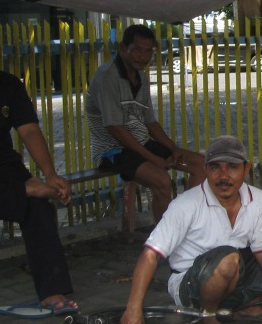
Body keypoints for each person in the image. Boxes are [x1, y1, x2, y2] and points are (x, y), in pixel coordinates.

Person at [120, 135, 262, 324]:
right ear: (205, 170)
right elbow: (150, 255)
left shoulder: (256, 199)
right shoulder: (185, 205)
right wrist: (133, 309)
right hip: (190, 284)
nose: (224, 176)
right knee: (228, 260)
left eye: (232, 167)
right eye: (215, 168)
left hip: (233, 272)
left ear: (246, 169)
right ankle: (208, 317)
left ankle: (242, 307)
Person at [0, 22, 78, 314]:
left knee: (39, 207)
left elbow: (29, 130)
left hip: (2, 169)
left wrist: (51, 174)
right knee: (31, 194)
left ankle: (52, 293)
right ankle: (25, 189)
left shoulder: (8, 85)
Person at [86, 23, 205, 224]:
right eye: (137, 50)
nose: (143, 56)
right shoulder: (107, 77)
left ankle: (188, 223)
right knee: (162, 181)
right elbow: (115, 128)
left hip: (140, 144)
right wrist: (152, 158)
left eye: (148, 51)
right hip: (113, 150)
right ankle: (164, 241)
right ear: (123, 48)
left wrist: (172, 148)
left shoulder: (140, 76)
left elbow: (150, 121)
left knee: (201, 164)